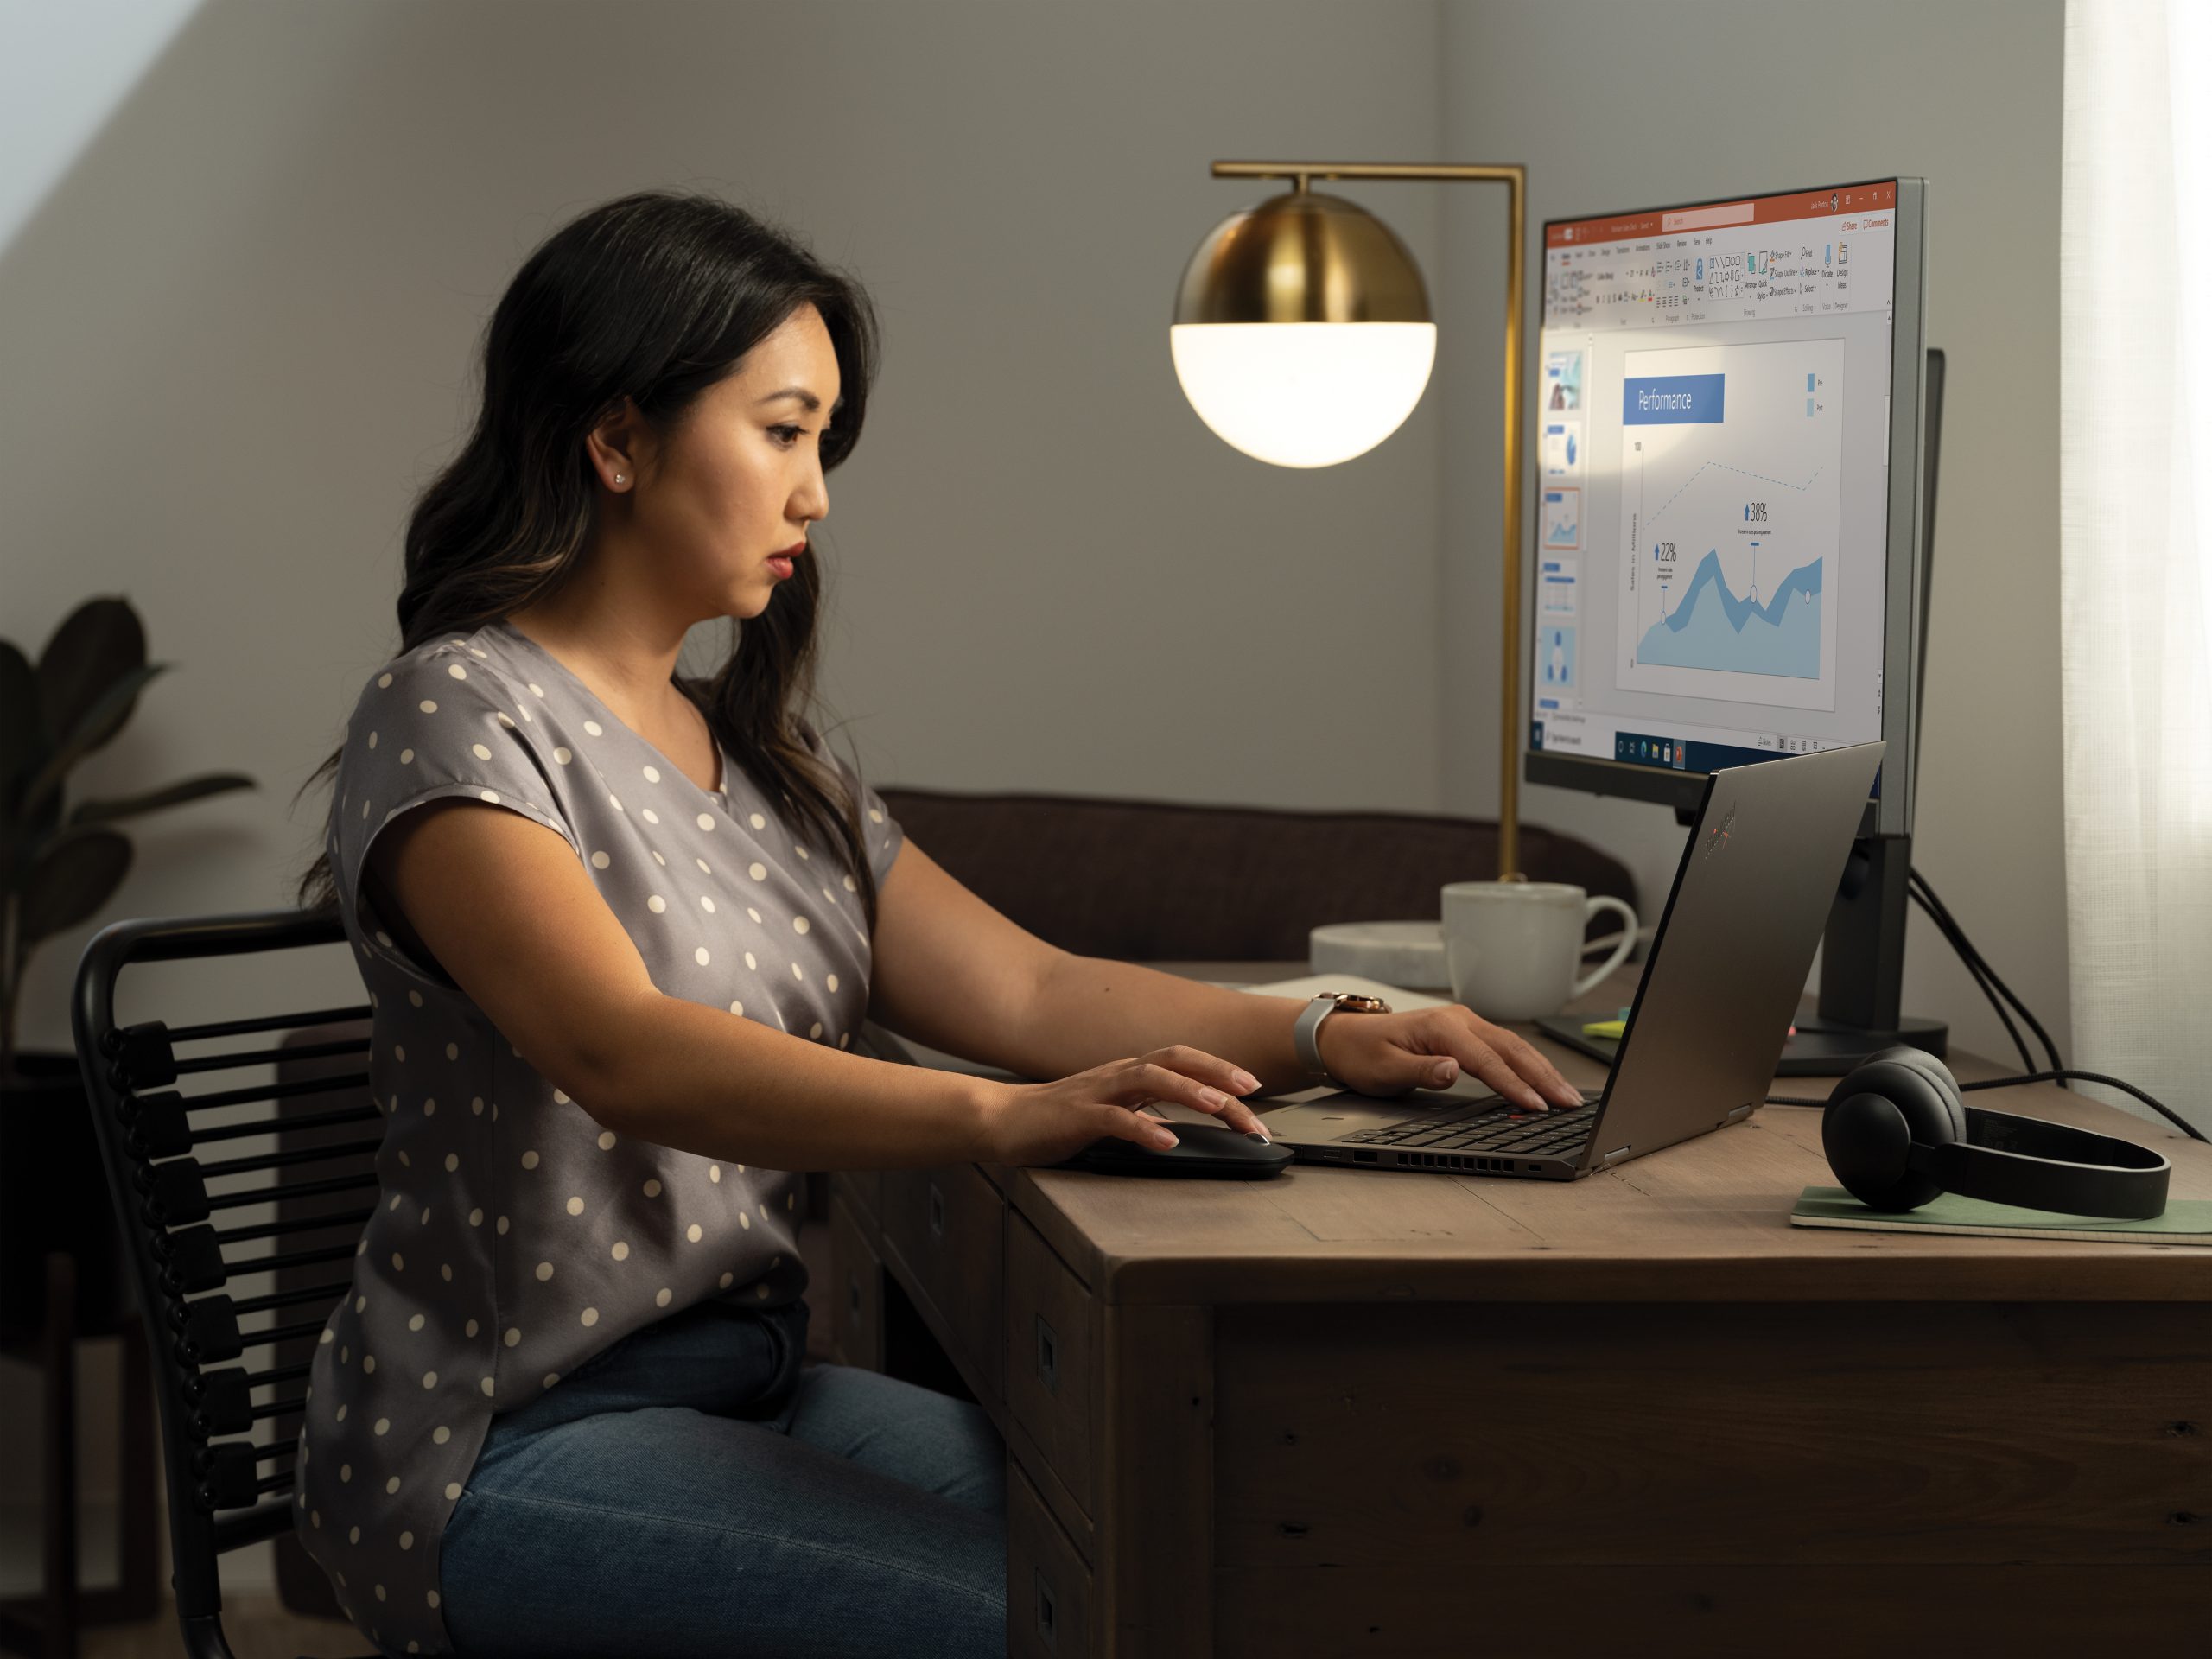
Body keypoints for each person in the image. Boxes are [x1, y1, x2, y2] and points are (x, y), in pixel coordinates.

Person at [288, 189, 1578, 1659]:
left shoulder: (761, 755)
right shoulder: (457, 708)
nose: (818, 493)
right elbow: (624, 1050)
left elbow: (1029, 987)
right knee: (1071, 1622)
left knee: (1212, 1548)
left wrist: (1322, 1027)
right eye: (782, 431)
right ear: (620, 438)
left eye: (823, 444)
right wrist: (993, 1118)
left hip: (757, 1382)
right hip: (505, 1440)